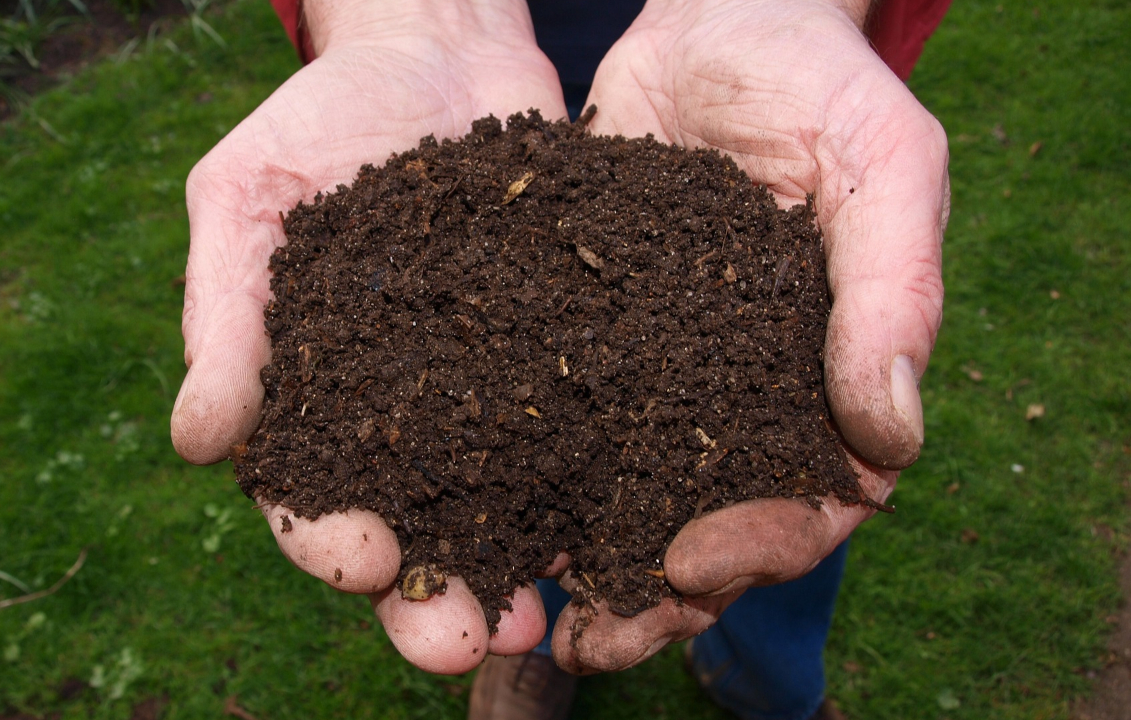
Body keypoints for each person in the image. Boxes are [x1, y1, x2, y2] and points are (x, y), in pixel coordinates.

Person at [170, 0, 950, 718]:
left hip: (714, 71)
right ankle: (539, 650)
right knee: (535, 516)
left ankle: (767, 682)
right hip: (477, 49)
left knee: (779, 509)